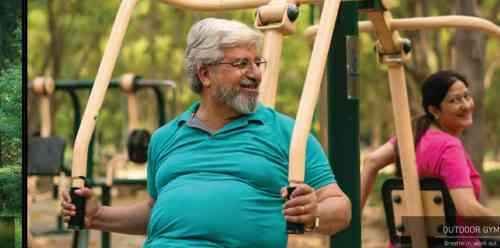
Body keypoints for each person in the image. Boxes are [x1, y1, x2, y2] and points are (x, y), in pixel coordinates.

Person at [62, 18, 351, 247]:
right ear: (204, 74)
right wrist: (98, 216)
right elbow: (159, 212)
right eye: (241, 63)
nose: (255, 73)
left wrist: (313, 214)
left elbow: (340, 207)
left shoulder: (288, 134)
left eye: (257, 62)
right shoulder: (165, 138)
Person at [360, 70, 498, 246]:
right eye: (454, 100)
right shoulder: (449, 147)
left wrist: (352, 220)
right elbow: (468, 209)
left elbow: (371, 161)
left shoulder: (410, 136)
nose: (466, 105)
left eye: (466, 96)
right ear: (434, 110)